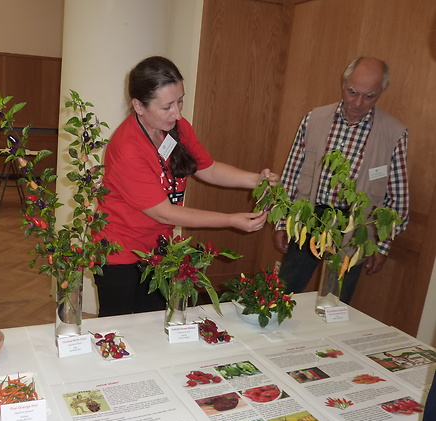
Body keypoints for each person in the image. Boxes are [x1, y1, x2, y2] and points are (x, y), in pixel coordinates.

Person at [93, 56, 278, 317]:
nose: (177, 113)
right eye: (167, 106)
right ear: (139, 106)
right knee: (119, 327)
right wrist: (231, 220)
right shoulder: (127, 148)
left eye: (180, 100)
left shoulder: (177, 128)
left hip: (158, 248)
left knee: (156, 321)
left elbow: (208, 168)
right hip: (119, 251)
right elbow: (164, 212)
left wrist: (255, 180)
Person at [273, 57, 409, 304]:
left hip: (355, 228)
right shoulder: (314, 119)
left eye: (369, 96)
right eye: (352, 92)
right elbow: (292, 173)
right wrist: (283, 223)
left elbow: (397, 199)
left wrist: (383, 245)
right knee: (282, 293)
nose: (357, 103)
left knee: (334, 304)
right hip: (309, 217)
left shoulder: (394, 133)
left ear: (381, 92)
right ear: (344, 83)